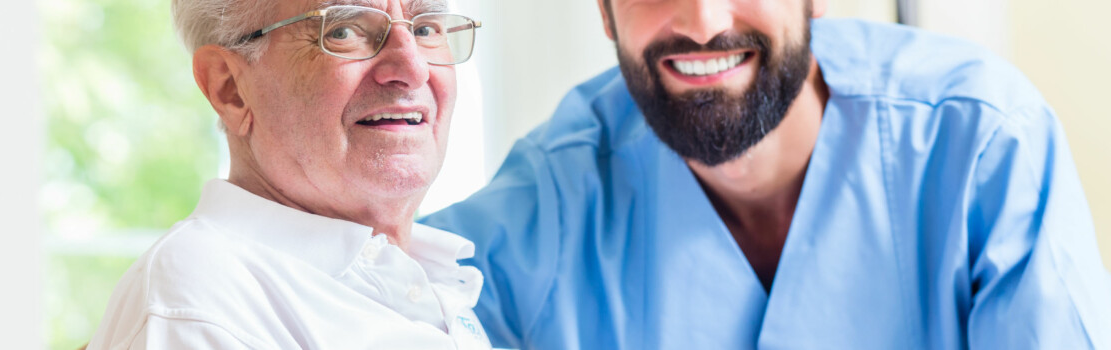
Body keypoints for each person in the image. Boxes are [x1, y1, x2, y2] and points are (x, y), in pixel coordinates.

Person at [420, 0, 1111, 348]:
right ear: (603, 10)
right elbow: (352, 291)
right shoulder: (547, 206)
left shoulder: (981, 142)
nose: (703, 22)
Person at [87, 0, 491, 348]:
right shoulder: (203, 301)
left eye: (424, 28)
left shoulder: (429, 274)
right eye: (344, 29)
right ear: (230, 88)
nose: (413, 67)